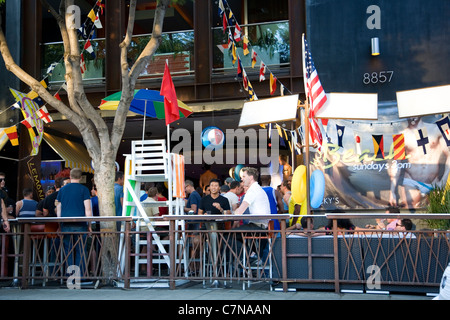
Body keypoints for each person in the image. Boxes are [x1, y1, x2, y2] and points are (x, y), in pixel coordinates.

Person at [56, 168, 92, 280]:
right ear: (81, 178)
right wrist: (89, 225)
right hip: (81, 224)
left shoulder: (62, 190)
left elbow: (59, 208)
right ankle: (80, 276)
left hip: (66, 224)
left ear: (70, 176)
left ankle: (71, 276)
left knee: (68, 250)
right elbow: (88, 209)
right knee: (81, 249)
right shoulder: (84, 189)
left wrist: (59, 225)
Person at [233, 167, 271, 259]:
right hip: (262, 227)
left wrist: (232, 213)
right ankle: (252, 255)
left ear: (250, 178)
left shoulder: (253, 190)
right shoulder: (257, 189)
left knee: (230, 235)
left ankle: (250, 257)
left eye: (244, 176)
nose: (241, 179)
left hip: (258, 227)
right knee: (234, 234)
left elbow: (240, 212)